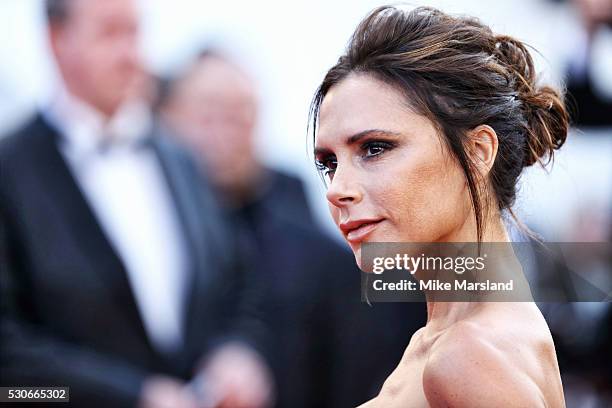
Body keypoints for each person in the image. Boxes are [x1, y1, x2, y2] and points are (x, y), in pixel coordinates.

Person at [0, 1, 271, 407]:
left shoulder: (181, 159)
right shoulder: (10, 170)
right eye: (110, 34)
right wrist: (130, 397)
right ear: (56, 41)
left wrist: (236, 350)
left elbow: (236, 281)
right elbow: (9, 356)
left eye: (135, 33)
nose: (132, 55)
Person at [310, 6, 568, 407]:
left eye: (375, 149)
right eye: (329, 163)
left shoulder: (468, 356)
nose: (337, 189)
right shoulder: (450, 339)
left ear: (479, 151)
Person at [158, 50, 428, 407]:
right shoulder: (139, 227)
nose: (224, 133)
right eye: (208, 115)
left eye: (239, 116)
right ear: (165, 117)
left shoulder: (306, 232)